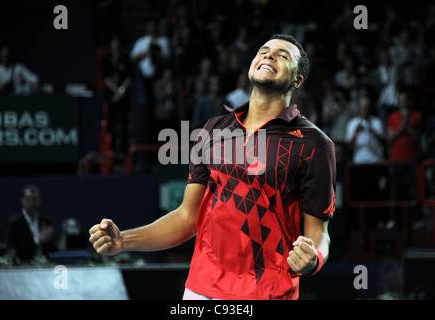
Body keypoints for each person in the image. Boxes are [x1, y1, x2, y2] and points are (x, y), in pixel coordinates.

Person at [89, 34, 336, 300]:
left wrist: (314, 259)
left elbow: (318, 234)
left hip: (267, 293)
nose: (269, 55)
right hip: (201, 291)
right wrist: (123, 241)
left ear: (297, 80)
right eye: (263, 50)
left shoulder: (315, 144)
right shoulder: (214, 129)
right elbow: (187, 217)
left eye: (283, 55)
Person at [6, 185, 55, 263]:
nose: (32, 203)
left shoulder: (45, 221)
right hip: (22, 266)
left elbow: (52, 249)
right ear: (22, 200)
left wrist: (51, 238)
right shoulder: (14, 223)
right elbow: (13, 249)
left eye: (35, 199)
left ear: (39, 201)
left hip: (45, 265)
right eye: (28, 199)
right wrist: (37, 240)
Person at [346, 96, 386, 164]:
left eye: (367, 107)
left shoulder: (377, 122)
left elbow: (383, 141)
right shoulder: (353, 123)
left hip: (375, 161)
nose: (365, 110)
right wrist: (356, 132)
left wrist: (371, 129)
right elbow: (348, 147)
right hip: (358, 161)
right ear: (359, 108)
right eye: (363, 107)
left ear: (370, 108)